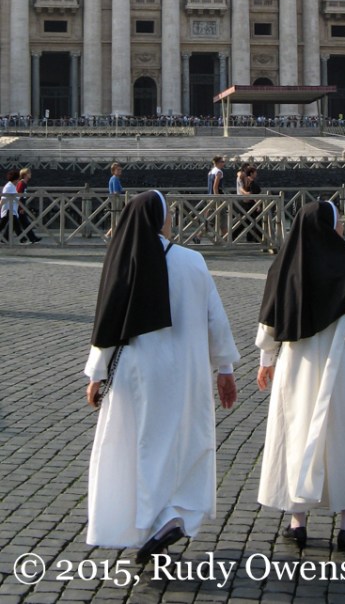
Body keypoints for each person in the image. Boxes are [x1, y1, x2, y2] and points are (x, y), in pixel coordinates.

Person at [84, 190, 239, 562]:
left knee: (142, 446)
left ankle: (160, 522)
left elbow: (108, 320)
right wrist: (225, 368)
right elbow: (214, 317)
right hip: (186, 372)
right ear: (160, 219)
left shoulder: (124, 260)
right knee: (180, 443)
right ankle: (169, 517)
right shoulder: (192, 260)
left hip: (140, 370)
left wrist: (96, 372)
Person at [255, 200, 345, 552]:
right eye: (338, 222)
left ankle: (297, 521)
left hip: (296, 363)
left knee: (297, 432)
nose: (341, 229)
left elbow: (269, 322)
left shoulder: (284, 267)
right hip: (342, 364)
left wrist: (266, 360)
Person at [16, 167, 41, 244]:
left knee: (22, 223)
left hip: (20, 205)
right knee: (22, 223)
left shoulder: (24, 183)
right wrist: (21, 207)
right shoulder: (21, 183)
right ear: (25, 174)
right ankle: (31, 238)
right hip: (19, 206)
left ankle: (30, 238)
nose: (30, 174)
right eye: (29, 173)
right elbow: (19, 195)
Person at [0, 169, 25, 243]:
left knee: (7, 225)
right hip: (8, 209)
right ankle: (22, 239)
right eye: (18, 179)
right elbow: (3, 199)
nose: (19, 180)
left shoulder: (13, 186)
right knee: (15, 225)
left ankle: (5, 239)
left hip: (12, 209)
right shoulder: (9, 187)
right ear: (15, 179)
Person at [104, 162, 124, 240]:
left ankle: (109, 236)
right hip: (116, 202)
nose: (120, 171)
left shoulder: (114, 178)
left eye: (120, 169)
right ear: (113, 171)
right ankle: (109, 236)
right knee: (117, 221)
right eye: (118, 170)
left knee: (117, 221)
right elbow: (116, 192)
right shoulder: (115, 179)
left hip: (115, 201)